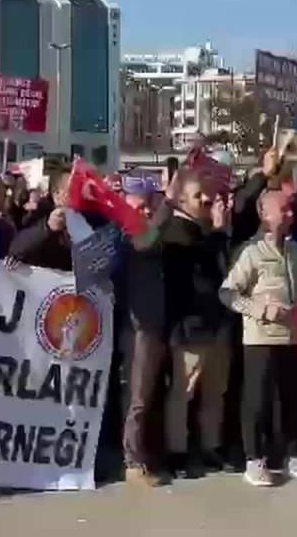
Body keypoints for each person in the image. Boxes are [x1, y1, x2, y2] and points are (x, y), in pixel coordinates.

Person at [219, 189, 297, 487]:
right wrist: (262, 310)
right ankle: (254, 460)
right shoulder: (251, 252)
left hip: (296, 337)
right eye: (284, 209)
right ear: (265, 214)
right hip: (261, 338)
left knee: (294, 399)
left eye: (291, 209)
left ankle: (294, 456)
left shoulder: (296, 251)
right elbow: (228, 293)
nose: (291, 214)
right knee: (257, 401)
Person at [159, 170, 231, 478]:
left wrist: (218, 232)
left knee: (215, 391)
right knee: (183, 392)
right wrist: (216, 232)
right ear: (183, 199)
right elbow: (198, 263)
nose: (206, 200)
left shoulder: (207, 230)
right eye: (199, 196)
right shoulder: (176, 230)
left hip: (217, 323)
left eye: (208, 195)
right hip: (190, 326)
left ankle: (209, 446)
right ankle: (177, 451)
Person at [117, 180, 174, 486]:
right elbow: (148, 240)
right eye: (140, 206)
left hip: (154, 323)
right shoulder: (127, 235)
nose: (146, 211)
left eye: (149, 206)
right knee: (136, 397)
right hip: (136, 326)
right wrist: (171, 201)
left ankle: (146, 455)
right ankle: (132, 462)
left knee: (148, 395)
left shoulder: (146, 232)